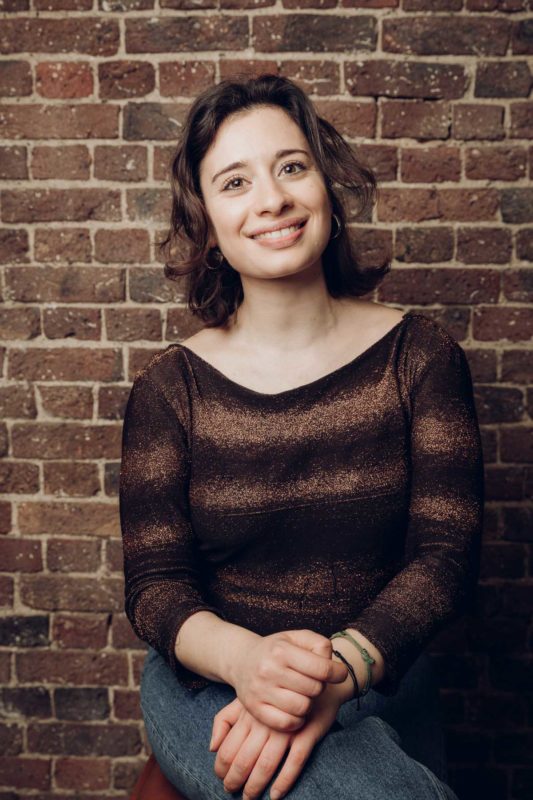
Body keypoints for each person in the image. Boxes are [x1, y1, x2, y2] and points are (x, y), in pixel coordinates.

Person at [119, 74, 485, 800]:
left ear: (326, 188)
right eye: (234, 182)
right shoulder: (170, 391)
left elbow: (445, 557)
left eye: (291, 167)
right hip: (209, 688)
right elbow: (156, 588)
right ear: (209, 228)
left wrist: (337, 672)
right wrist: (251, 665)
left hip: (379, 679)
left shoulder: (420, 358)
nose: (272, 200)